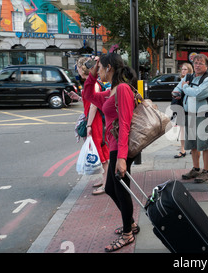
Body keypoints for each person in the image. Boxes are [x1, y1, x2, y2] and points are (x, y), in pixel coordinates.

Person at [83, 53, 140, 252]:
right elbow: (88, 96)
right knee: (110, 188)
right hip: (116, 147)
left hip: (121, 149)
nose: (98, 72)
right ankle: (130, 224)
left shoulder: (122, 89)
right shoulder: (111, 91)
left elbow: (125, 124)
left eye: (99, 68)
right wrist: (91, 76)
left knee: (121, 190)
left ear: (109, 68)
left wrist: (122, 158)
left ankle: (127, 234)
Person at [70, 57, 110, 195]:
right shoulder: (90, 82)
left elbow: (94, 105)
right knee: (99, 150)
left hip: (96, 120)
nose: (77, 70)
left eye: (77, 67)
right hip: (93, 119)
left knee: (101, 150)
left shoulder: (94, 83)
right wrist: (79, 98)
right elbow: (89, 99)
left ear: (82, 68)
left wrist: (89, 125)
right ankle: (104, 179)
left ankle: (106, 184)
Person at [174, 54, 208, 183]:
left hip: (203, 115)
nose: (197, 65)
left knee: (204, 144)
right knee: (193, 145)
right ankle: (196, 168)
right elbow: (177, 88)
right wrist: (176, 92)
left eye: (200, 63)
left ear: (206, 66)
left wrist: (186, 88)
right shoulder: (189, 76)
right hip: (189, 114)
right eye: (195, 63)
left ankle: (206, 171)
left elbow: (197, 94)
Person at [172, 62, 193, 159]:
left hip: (189, 106)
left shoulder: (192, 80)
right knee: (182, 129)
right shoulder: (180, 80)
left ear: (189, 71)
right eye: (182, 69)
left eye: (185, 69)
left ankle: (193, 147)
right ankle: (182, 149)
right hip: (180, 106)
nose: (183, 71)